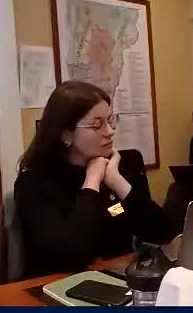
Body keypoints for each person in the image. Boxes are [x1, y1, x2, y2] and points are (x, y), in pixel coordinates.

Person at [14, 81, 175, 279]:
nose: (110, 131)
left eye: (110, 120)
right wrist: (91, 181)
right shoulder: (33, 183)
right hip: (60, 286)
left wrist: (116, 181)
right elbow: (71, 256)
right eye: (97, 125)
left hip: (116, 280)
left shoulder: (112, 171)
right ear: (66, 134)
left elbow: (163, 233)